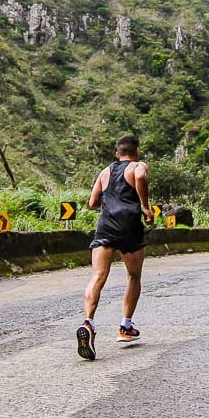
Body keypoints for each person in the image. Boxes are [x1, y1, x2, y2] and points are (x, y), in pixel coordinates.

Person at [76, 134, 153, 360]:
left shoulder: (105, 172)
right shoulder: (138, 165)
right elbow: (140, 175)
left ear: (117, 153)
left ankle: (88, 323)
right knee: (133, 276)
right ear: (137, 150)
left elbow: (92, 203)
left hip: (106, 226)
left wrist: (109, 202)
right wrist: (145, 207)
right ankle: (125, 326)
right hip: (129, 225)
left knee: (98, 275)